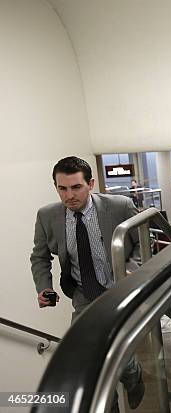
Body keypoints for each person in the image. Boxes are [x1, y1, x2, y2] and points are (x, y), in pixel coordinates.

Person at [30, 156, 145, 411]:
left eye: (76, 187)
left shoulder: (120, 206)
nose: (69, 195)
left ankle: (133, 373)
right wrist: (44, 288)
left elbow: (141, 244)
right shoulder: (47, 216)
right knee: (87, 359)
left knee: (116, 347)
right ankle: (109, 406)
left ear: (90, 183)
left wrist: (127, 274)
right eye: (62, 188)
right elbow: (39, 257)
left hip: (117, 289)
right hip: (82, 294)